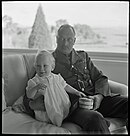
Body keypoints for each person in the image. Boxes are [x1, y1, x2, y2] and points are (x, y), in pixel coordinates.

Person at [26, 24, 128, 134]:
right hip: (75, 107)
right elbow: (32, 86)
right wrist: (31, 105)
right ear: (56, 39)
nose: (65, 43)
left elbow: (100, 78)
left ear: (74, 40)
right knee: (95, 118)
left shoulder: (83, 56)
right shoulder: (48, 62)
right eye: (61, 39)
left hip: (96, 98)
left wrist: (99, 97)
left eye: (69, 39)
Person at [26, 50, 85, 127]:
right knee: (46, 117)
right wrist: (35, 88)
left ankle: (61, 118)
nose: (41, 69)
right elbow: (29, 95)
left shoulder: (57, 77)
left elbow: (66, 86)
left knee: (64, 111)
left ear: (52, 67)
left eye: (45, 66)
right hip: (45, 110)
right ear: (35, 66)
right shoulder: (34, 81)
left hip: (59, 104)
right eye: (38, 66)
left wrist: (76, 92)